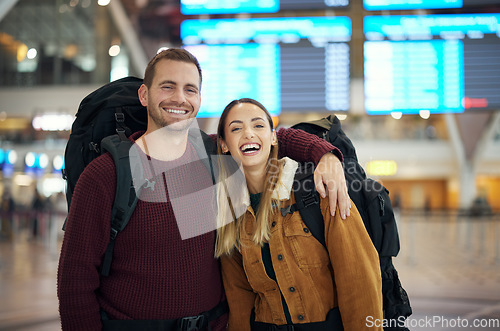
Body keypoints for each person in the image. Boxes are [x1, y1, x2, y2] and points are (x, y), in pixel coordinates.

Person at [57, 48, 350, 330]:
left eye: (190, 89)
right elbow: (75, 279)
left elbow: (272, 137)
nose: (180, 98)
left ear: (199, 99)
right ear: (144, 95)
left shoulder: (211, 154)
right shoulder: (106, 175)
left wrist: (325, 154)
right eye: (167, 87)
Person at [215, 98, 383, 331]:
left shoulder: (319, 189)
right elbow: (239, 297)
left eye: (258, 126)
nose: (248, 134)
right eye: (236, 128)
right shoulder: (230, 211)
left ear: (274, 137)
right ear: (224, 144)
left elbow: (359, 282)